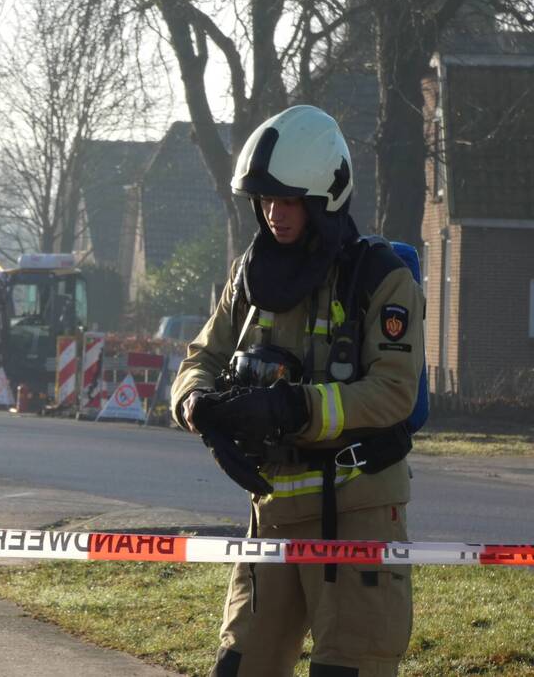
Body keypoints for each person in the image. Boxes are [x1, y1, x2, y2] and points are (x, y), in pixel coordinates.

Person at [171, 105, 424, 677]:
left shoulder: (380, 279)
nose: (274, 214)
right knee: (240, 666)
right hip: (273, 513)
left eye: (288, 201)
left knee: (348, 670)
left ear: (324, 198)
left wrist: (295, 407)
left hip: (357, 512)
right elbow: (201, 357)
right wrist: (197, 406)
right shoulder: (250, 275)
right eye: (265, 201)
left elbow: (393, 392)